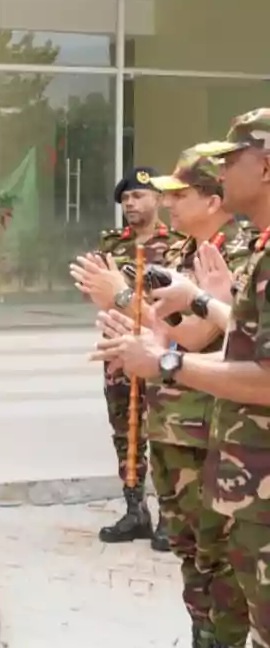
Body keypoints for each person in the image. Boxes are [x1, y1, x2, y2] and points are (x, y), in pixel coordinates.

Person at [92, 108, 270, 648]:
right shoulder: (241, 251)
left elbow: (253, 371)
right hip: (229, 454)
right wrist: (200, 302)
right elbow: (233, 331)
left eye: (230, 161)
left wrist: (161, 352)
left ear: (264, 166)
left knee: (232, 592)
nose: (168, 203)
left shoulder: (244, 251)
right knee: (211, 578)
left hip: (226, 445)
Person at [145, 147, 252, 648]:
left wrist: (122, 302)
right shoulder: (188, 252)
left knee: (221, 559)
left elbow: (195, 338)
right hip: (173, 419)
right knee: (192, 553)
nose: (169, 205)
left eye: (180, 195)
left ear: (213, 200)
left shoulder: (236, 253)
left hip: (207, 427)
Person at [70, 167, 178, 549]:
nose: (131, 203)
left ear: (159, 200)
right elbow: (96, 291)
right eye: (126, 198)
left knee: (165, 429)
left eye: (139, 196)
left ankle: (171, 514)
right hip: (117, 348)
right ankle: (135, 510)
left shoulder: (178, 243)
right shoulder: (112, 243)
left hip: (160, 347)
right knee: (124, 429)